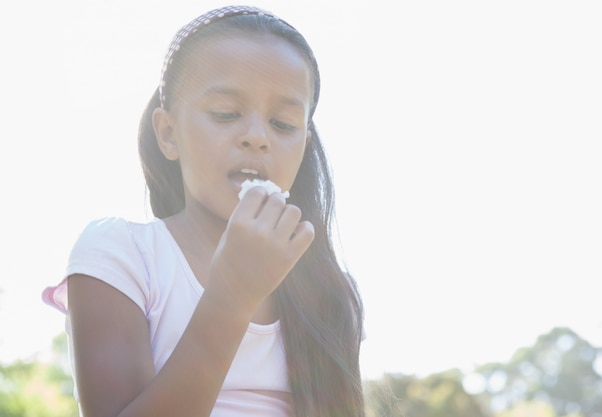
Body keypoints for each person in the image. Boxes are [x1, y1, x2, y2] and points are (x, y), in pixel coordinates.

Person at [42, 5, 365, 417]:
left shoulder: (329, 292)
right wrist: (232, 294)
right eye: (226, 114)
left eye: (283, 124)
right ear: (168, 133)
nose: (256, 137)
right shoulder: (120, 255)